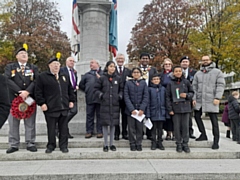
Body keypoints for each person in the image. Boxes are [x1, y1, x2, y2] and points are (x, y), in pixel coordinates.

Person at [35, 57, 75, 153]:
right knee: (51, 129)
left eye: (58, 64)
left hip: (64, 107)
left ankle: (63, 146)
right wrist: (42, 103)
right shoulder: (42, 76)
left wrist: (71, 100)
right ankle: (51, 145)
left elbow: (70, 89)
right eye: (54, 64)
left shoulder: (64, 76)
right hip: (51, 107)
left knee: (63, 128)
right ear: (49, 66)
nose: (56, 66)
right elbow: (38, 91)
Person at [4, 47, 39, 154]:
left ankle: (30, 143)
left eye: (26, 53)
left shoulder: (33, 67)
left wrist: (27, 92)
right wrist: (20, 92)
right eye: (21, 53)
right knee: (13, 122)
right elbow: (7, 80)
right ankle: (14, 144)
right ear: (17, 56)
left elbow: (37, 80)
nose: (24, 55)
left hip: (29, 98)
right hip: (14, 97)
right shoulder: (10, 67)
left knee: (30, 121)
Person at [192, 55, 225, 149]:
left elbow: (220, 85)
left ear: (210, 60)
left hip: (211, 99)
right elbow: (194, 87)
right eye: (203, 60)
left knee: (214, 121)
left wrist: (217, 97)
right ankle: (203, 134)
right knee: (197, 116)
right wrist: (194, 98)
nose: (205, 61)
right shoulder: (198, 73)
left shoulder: (217, 72)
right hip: (199, 99)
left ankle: (216, 141)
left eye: (207, 60)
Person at [94, 61, 123, 152]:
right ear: (107, 67)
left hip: (114, 104)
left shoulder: (118, 78)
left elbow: (121, 89)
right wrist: (101, 95)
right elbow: (96, 89)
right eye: (111, 66)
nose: (112, 68)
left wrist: (119, 96)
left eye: (114, 67)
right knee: (105, 124)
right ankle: (105, 144)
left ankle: (112, 144)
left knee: (113, 124)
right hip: (105, 104)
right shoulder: (102, 78)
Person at [166, 66, 194, 153]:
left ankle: (185, 144)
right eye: (176, 71)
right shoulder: (170, 83)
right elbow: (168, 97)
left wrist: (187, 95)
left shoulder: (186, 82)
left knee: (185, 127)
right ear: (173, 73)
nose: (178, 73)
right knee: (177, 127)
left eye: (179, 71)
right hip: (175, 108)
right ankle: (178, 143)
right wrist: (170, 109)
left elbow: (192, 92)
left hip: (186, 107)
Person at [124, 67, 149, 151]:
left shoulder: (143, 83)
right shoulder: (128, 83)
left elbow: (146, 96)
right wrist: (131, 109)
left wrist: (142, 108)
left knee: (139, 128)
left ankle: (139, 143)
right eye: (134, 72)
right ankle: (132, 143)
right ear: (132, 74)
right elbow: (126, 96)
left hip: (140, 111)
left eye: (138, 72)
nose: (136, 74)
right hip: (131, 111)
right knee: (131, 128)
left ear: (140, 74)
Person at [79, 59, 103, 138]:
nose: (91, 64)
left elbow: (106, 85)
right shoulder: (87, 75)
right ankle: (89, 131)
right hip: (90, 98)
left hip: (100, 99)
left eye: (92, 63)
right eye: (90, 63)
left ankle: (100, 131)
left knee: (100, 116)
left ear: (97, 64)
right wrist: (87, 90)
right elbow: (81, 85)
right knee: (89, 115)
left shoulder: (103, 74)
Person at [138, 52, 157, 140]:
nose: (145, 60)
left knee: (150, 113)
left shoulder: (153, 70)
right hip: (139, 94)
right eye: (143, 58)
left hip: (150, 93)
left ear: (149, 60)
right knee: (140, 113)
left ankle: (150, 133)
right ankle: (140, 132)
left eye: (146, 58)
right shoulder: (137, 69)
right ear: (140, 60)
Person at [59, 56, 78, 138]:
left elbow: (73, 81)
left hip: (73, 94)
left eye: (73, 61)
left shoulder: (74, 72)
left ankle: (61, 127)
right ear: (66, 62)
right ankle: (64, 131)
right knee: (65, 114)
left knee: (74, 111)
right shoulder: (62, 70)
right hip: (64, 95)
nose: (72, 62)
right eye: (70, 61)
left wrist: (76, 85)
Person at [114, 53, 131, 141]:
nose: (120, 60)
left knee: (125, 116)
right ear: (116, 60)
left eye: (122, 58)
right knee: (116, 116)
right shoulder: (113, 71)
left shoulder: (128, 71)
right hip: (115, 97)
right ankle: (116, 133)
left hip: (125, 98)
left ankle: (124, 132)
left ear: (124, 60)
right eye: (118, 58)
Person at [147, 74, 166, 150]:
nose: (156, 81)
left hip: (162, 111)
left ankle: (160, 141)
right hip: (153, 111)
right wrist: (148, 113)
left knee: (160, 128)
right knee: (153, 128)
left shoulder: (163, 89)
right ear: (152, 81)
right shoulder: (149, 89)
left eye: (157, 79)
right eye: (154, 79)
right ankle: (154, 142)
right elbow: (147, 102)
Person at [180, 56, 197, 139]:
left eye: (186, 62)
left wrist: (194, 98)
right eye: (183, 62)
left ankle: (190, 132)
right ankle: (180, 132)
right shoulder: (177, 71)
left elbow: (195, 86)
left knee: (189, 116)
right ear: (181, 63)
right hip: (179, 97)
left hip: (189, 97)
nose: (185, 63)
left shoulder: (193, 72)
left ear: (189, 63)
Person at [159, 58, 174, 140]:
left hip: (173, 97)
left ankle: (174, 132)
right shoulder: (161, 75)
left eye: (169, 64)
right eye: (166, 64)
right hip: (163, 97)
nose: (167, 66)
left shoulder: (174, 74)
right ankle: (168, 133)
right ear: (163, 66)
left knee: (173, 116)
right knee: (166, 116)